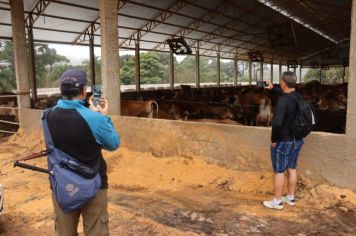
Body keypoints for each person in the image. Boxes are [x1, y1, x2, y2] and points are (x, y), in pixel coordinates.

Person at [46, 68, 120, 235]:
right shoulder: (94, 118)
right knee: (96, 231)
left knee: (64, 232)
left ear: (62, 90)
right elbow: (113, 143)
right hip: (93, 183)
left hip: (62, 185)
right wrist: (103, 116)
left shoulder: (46, 116)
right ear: (84, 90)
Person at [263, 71, 304, 210]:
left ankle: (277, 202)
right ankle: (291, 198)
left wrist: (274, 139)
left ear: (283, 83)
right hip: (297, 140)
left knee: (279, 171)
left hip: (283, 141)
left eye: (280, 82)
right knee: (292, 168)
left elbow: (277, 123)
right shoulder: (297, 96)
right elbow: (287, 96)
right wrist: (272, 88)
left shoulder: (282, 101)